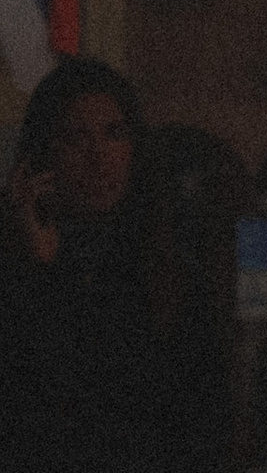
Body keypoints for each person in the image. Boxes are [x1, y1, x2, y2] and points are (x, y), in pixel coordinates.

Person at [0, 53, 208, 473]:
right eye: (75, 137)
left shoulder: (163, 258)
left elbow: (192, 414)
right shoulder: (19, 260)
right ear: (45, 155)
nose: (99, 157)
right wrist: (38, 268)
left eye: (114, 134)